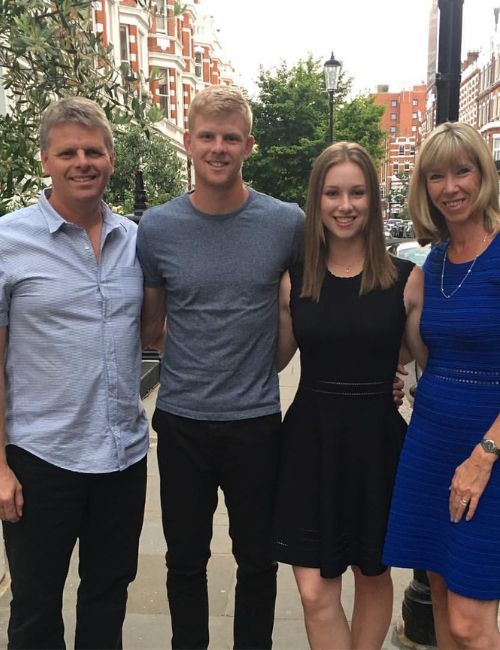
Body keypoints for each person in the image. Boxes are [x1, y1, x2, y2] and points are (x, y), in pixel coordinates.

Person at [137, 85, 304, 650]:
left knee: (258, 561)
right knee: (185, 561)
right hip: (182, 422)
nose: (218, 147)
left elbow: (315, 301)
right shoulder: (157, 228)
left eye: (230, 137)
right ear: (187, 142)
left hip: (256, 422)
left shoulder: (285, 223)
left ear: (248, 145)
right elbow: (153, 324)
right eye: (206, 136)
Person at [0, 96, 149, 649]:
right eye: (68, 152)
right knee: (36, 609)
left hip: (123, 457)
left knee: (108, 598)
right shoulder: (7, 243)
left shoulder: (137, 241)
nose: (82, 161)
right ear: (45, 161)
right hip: (41, 458)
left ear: (110, 158)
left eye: (93, 150)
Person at [272, 142, 425, 649]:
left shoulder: (406, 280)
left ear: (373, 200)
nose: (345, 204)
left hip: (376, 443)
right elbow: (273, 360)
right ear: (316, 201)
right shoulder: (295, 281)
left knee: (372, 575)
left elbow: (428, 362)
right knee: (315, 590)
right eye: (332, 193)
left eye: (357, 192)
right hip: (311, 442)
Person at [383, 122, 500, 650]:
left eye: (462, 171)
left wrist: (485, 455)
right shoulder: (431, 264)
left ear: (483, 174)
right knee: (442, 600)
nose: (450, 186)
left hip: (487, 449)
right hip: (431, 441)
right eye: (436, 176)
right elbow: (417, 346)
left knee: (472, 623)